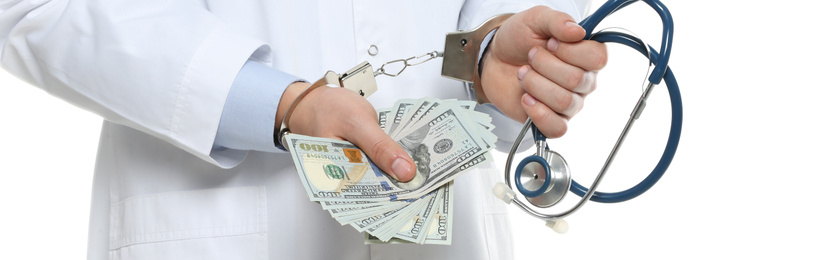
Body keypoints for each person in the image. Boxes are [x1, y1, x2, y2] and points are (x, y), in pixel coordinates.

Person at [0, 0, 606, 259]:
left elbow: (475, 20)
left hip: (448, 230)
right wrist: (277, 104)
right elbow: (41, 9)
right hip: (212, 228)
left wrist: (486, 52)